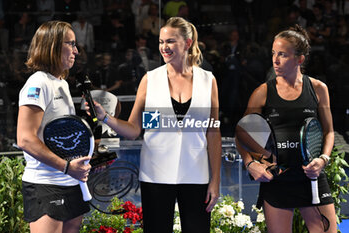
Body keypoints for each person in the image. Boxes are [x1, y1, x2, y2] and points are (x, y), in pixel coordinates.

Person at [88, 16, 221, 233]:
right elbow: (133, 130)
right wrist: (104, 117)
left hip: (196, 174)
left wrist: (215, 181)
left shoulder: (208, 81)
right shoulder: (150, 79)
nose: (163, 47)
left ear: (187, 43)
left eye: (170, 41)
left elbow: (213, 133)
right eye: (161, 41)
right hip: (155, 173)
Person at [237, 24, 337, 233]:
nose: (275, 59)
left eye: (282, 54)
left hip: (311, 178)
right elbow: (241, 134)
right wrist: (250, 164)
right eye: (274, 53)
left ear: (299, 59)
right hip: (278, 180)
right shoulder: (262, 92)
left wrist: (323, 159)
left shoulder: (318, 89)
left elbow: (328, 131)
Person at [16, 21, 91, 233]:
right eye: (71, 44)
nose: (76, 50)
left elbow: (64, 140)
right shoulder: (37, 83)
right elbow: (25, 139)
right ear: (53, 46)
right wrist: (67, 167)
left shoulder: (62, 83)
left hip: (70, 181)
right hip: (45, 185)